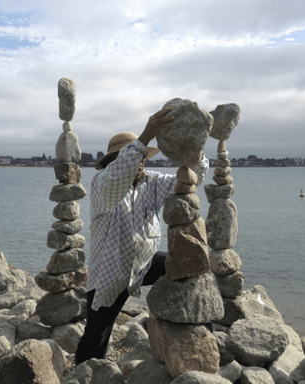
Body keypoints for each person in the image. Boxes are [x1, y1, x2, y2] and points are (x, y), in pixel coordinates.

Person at [75, 107, 209, 364]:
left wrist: (195, 147)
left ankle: (194, 332)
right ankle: (82, 379)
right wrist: (145, 136)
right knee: (96, 335)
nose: (139, 162)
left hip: (143, 265)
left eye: (143, 158)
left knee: (186, 267)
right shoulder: (103, 184)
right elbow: (117, 178)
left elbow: (191, 180)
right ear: (116, 161)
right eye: (133, 157)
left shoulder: (153, 182)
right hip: (110, 273)